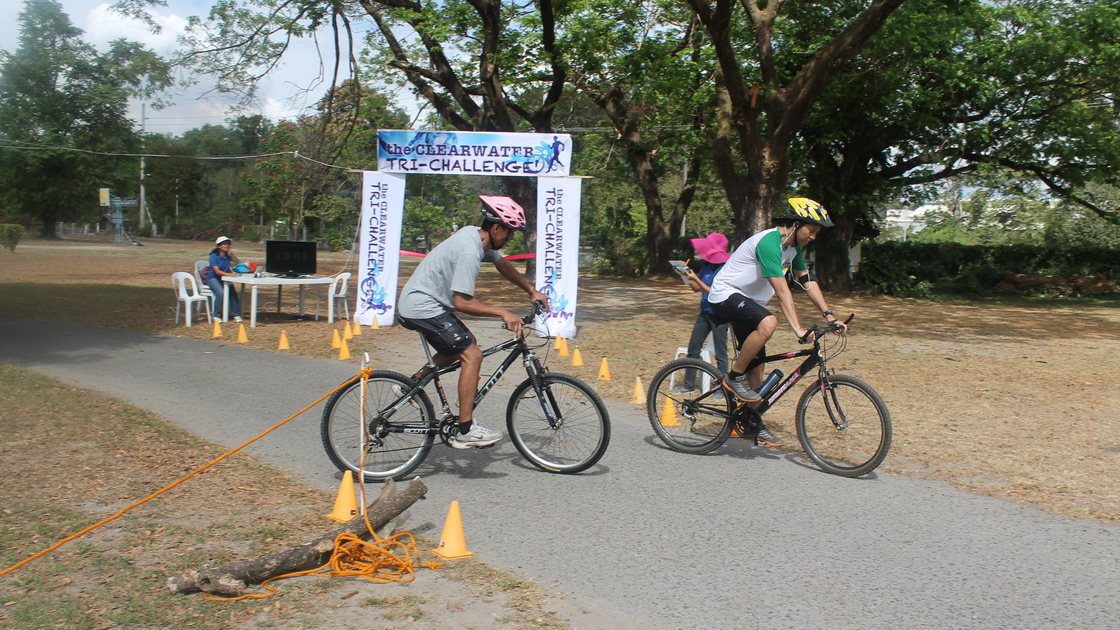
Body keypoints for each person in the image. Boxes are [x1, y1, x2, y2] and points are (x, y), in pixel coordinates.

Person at [397, 196, 549, 449]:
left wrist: (531, 290)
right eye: (510, 234)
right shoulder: (469, 252)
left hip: (425, 303)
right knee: (473, 355)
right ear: (496, 228)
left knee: (467, 344)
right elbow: (463, 303)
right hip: (422, 307)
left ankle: (411, 386)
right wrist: (503, 312)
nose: (511, 239)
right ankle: (465, 429)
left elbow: (501, 263)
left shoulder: (474, 234)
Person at [707, 198, 847, 446]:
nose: (814, 236)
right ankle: (733, 377)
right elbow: (783, 292)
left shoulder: (793, 250)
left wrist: (830, 315)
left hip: (749, 303)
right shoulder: (769, 243)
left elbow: (808, 282)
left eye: (816, 233)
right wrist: (798, 330)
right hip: (725, 294)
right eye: (811, 231)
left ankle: (751, 422)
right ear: (795, 224)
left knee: (758, 368)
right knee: (769, 323)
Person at [674, 232, 731, 397]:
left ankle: (723, 387)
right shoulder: (707, 265)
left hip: (720, 313)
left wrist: (696, 279)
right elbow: (697, 288)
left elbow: (714, 292)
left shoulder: (725, 267)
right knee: (693, 348)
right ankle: (688, 384)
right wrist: (687, 277)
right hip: (705, 312)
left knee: (721, 353)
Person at [206, 236, 243, 323]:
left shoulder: (228, 256)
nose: (226, 246)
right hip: (214, 279)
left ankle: (236, 314)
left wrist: (231, 255)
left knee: (232, 293)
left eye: (228, 244)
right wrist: (229, 274)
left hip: (225, 279)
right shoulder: (214, 257)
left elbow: (238, 262)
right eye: (224, 244)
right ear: (219, 246)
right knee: (221, 292)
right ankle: (216, 315)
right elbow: (217, 271)